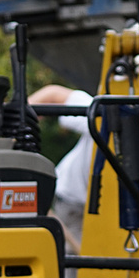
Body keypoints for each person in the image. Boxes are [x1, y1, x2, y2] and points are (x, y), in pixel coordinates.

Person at [30, 83, 94, 252]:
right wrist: (13, 125)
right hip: (72, 202)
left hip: (114, 214)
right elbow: (52, 95)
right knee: (73, 266)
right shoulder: (109, 116)